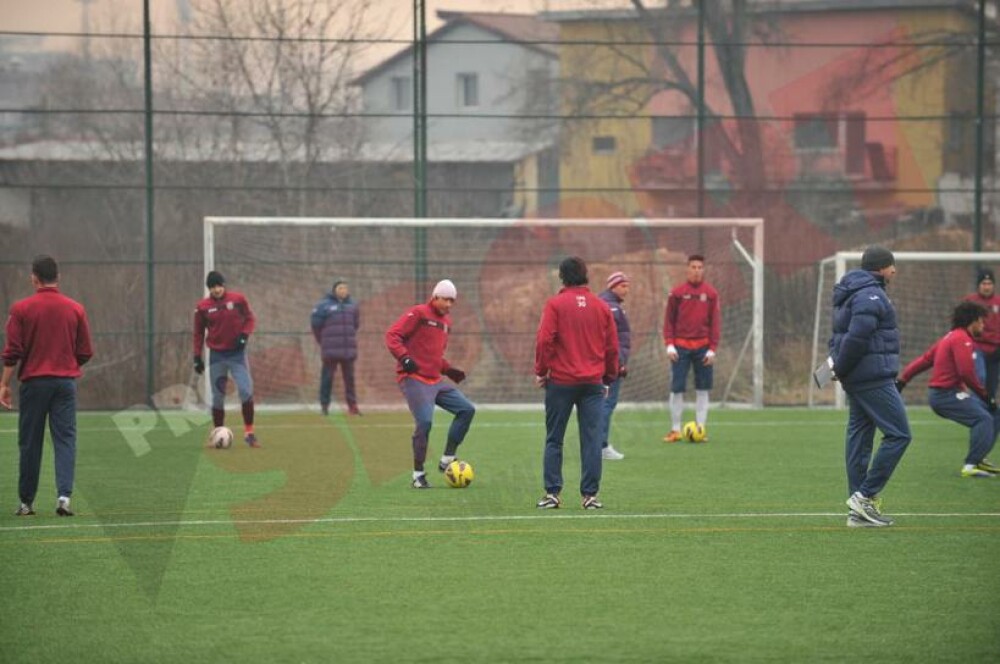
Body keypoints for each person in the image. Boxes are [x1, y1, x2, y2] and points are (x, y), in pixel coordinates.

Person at [0, 255, 93, 517]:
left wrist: (4, 384)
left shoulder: (21, 309)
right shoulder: (75, 308)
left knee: (30, 442)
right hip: (64, 384)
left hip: (34, 384)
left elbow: (13, 352)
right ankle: (64, 498)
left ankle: (26, 503)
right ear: (58, 277)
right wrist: (67, 364)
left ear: (34, 278)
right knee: (65, 440)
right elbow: (85, 351)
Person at [829, 245, 912, 527]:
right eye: (891, 264)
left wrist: (838, 368)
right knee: (900, 434)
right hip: (871, 377)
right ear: (880, 267)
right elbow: (855, 338)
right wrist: (840, 367)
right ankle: (864, 496)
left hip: (857, 377)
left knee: (860, 438)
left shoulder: (851, 292)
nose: (895, 269)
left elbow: (838, 336)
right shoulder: (871, 294)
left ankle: (858, 512)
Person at [534, 257, 619, 510]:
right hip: (593, 383)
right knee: (592, 440)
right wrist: (608, 378)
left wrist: (541, 370)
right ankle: (590, 496)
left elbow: (543, 340)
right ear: (586, 276)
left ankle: (552, 494)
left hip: (561, 381)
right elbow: (612, 347)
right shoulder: (601, 306)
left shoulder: (555, 304)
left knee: (554, 438)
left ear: (562, 277)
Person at [385, 279, 475, 489]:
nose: (449, 305)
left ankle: (447, 460)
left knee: (466, 409)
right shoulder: (419, 313)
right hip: (414, 378)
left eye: (453, 301)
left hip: (435, 380)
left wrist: (449, 369)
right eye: (446, 299)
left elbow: (434, 355)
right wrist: (404, 358)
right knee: (425, 423)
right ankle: (418, 475)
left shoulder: (447, 323)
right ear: (435, 297)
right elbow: (392, 335)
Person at [897, 301, 1000, 478]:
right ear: (973, 321)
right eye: (981, 322)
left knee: (995, 415)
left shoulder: (950, 336)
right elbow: (966, 372)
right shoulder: (961, 339)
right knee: (983, 419)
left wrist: (903, 379)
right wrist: (985, 395)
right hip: (946, 395)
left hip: (945, 394)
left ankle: (979, 459)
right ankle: (970, 465)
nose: (983, 326)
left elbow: (924, 360)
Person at [193, 270, 260, 447]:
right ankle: (218, 434)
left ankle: (249, 433)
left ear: (224, 285)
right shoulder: (202, 307)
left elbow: (250, 318)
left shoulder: (237, 300)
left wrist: (244, 335)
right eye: (213, 287)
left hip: (237, 355)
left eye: (219, 286)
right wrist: (196, 356)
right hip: (217, 356)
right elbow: (198, 333)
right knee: (218, 397)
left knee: (246, 391)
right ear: (209, 288)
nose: (217, 290)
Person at [662, 254, 720, 442]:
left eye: (699, 267)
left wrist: (712, 348)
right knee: (677, 389)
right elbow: (668, 321)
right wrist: (669, 345)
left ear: (703, 270)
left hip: (703, 347)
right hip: (680, 348)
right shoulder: (677, 293)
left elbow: (715, 323)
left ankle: (700, 428)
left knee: (703, 389)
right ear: (687, 269)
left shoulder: (711, 294)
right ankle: (675, 429)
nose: (696, 270)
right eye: (693, 267)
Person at [311, 280, 361, 416]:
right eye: (340, 288)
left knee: (349, 380)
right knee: (327, 378)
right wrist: (323, 342)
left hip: (348, 350)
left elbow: (355, 325)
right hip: (330, 350)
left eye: (345, 288)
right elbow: (315, 325)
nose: (343, 290)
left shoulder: (352, 306)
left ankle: (353, 407)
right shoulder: (324, 306)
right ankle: (324, 406)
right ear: (334, 290)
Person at [598, 271, 631, 461]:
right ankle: (601, 446)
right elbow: (611, 341)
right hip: (610, 366)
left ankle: (596, 444)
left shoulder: (608, 305)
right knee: (606, 404)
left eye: (627, 285)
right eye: (623, 285)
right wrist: (619, 363)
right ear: (612, 286)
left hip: (604, 364)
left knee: (601, 404)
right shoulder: (612, 308)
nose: (626, 289)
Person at [962, 268, 1000, 401]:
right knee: (979, 380)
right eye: (984, 283)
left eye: (989, 283)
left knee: (991, 388)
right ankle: (976, 411)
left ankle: (989, 416)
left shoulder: (998, 302)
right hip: (976, 348)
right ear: (978, 285)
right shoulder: (970, 302)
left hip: (995, 351)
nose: (987, 287)